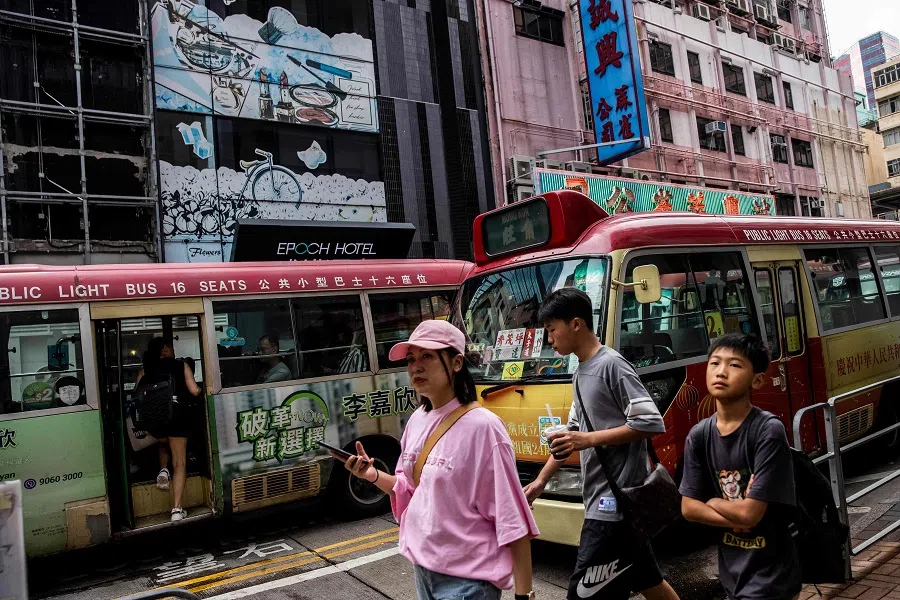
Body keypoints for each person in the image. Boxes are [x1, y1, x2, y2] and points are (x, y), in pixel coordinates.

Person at [336, 319, 539, 600]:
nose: (415, 367)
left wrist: (523, 595)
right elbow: (409, 489)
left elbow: (511, 517)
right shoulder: (418, 419)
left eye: (427, 356)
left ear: (456, 363)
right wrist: (370, 475)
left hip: (469, 582)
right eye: (410, 359)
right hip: (424, 572)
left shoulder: (484, 428)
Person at [523, 288, 679, 600]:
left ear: (576, 324)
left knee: (581, 594)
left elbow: (650, 422)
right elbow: (573, 434)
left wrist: (586, 440)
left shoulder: (612, 365)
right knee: (649, 582)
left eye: (552, 329)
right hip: (604, 499)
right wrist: (541, 481)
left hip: (614, 504)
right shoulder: (581, 373)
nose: (550, 339)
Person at [679, 334, 801, 600]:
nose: (721, 372)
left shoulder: (767, 430)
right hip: (732, 575)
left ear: (757, 379)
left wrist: (712, 501)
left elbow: (750, 515)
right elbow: (688, 508)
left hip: (772, 577)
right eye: (715, 363)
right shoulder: (699, 436)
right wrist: (737, 512)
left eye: (734, 365)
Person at [135, 337, 202, 522]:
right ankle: (177, 509)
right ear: (165, 349)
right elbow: (194, 390)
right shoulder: (181, 365)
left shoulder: (144, 370)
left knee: (163, 444)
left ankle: (163, 470)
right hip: (178, 421)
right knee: (179, 463)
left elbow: (137, 395)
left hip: (155, 425)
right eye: (171, 346)